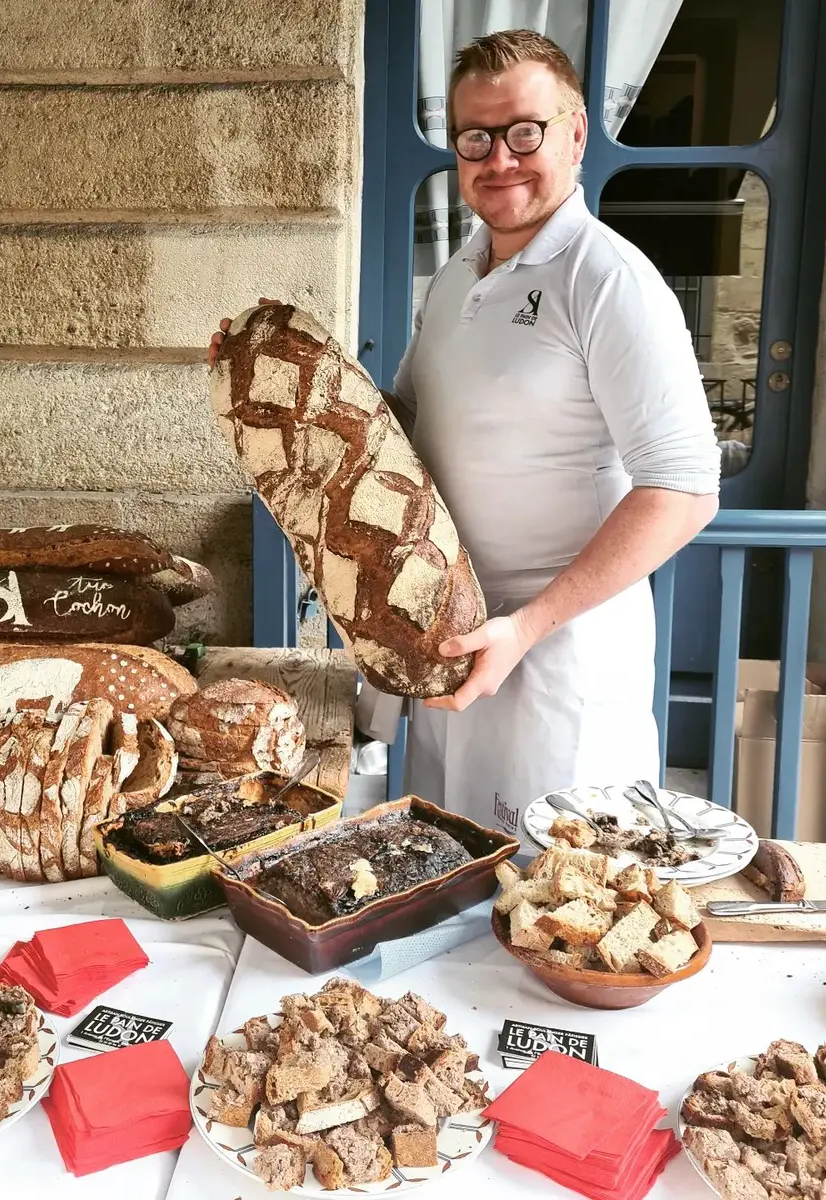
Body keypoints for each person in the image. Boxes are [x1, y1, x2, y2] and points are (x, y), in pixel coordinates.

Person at [208, 30, 720, 842]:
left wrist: (528, 626)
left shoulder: (609, 280)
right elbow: (406, 426)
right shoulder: (455, 278)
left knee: (550, 888)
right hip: (444, 632)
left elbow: (684, 491)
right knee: (445, 864)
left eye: (525, 131)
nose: (500, 158)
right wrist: (287, 382)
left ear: (576, 134)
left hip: (559, 656)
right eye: (476, 138)